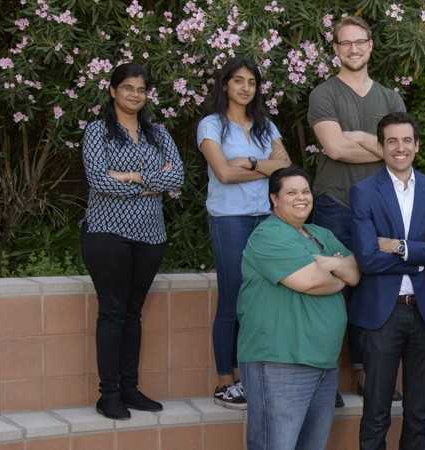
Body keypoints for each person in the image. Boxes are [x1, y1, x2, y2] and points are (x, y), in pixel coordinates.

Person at [308, 15, 407, 401]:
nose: (353, 48)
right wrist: (381, 149)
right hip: (336, 204)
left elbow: (400, 155)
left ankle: (370, 376)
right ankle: (326, 382)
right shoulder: (324, 94)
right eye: (345, 43)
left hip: (380, 208)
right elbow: (334, 148)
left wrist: (365, 138)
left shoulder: (390, 98)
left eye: (360, 41)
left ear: (370, 45)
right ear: (336, 49)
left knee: (375, 289)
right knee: (334, 290)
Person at [79, 62, 185, 420]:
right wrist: (149, 179)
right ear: (113, 91)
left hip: (150, 235)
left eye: (141, 89)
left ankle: (129, 388)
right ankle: (108, 394)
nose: (135, 94)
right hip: (107, 234)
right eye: (128, 88)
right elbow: (98, 180)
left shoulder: (158, 133)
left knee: (133, 313)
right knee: (112, 312)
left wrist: (127, 176)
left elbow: (178, 177)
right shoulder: (97, 131)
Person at [349, 112, 425, 450]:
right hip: (383, 314)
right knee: (376, 412)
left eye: (407, 140)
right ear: (381, 147)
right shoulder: (363, 192)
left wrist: (398, 247)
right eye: (392, 141)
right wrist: (424, 255)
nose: (400, 147)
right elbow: (367, 258)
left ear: (417, 145)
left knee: (418, 413)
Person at [237, 166, 360, 450]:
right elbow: (310, 281)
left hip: (323, 363)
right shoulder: (268, 235)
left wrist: (334, 268)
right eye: (291, 192)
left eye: (305, 191)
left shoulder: (320, 233)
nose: (301, 197)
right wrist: (336, 271)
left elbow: (354, 272)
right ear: (274, 199)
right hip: (280, 362)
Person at [197, 57, 292, 410]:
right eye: (238, 80)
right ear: (225, 84)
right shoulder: (211, 125)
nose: (245, 87)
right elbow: (222, 174)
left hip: (265, 219)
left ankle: (252, 376)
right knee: (233, 296)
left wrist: (248, 163)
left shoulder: (267, 126)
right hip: (230, 220)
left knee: (261, 298)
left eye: (251, 82)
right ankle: (226, 381)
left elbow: (285, 168)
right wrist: (263, 167)